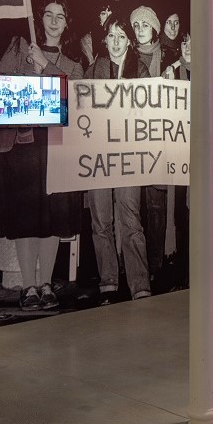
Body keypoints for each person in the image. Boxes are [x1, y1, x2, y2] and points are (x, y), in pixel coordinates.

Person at [0, 0, 82, 311]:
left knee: (53, 218)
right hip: (22, 147)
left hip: (56, 147)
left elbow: (77, 101)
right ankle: (28, 285)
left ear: (68, 24)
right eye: (48, 14)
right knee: (26, 218)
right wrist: (25, 65)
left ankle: (46, 283)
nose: (53, 21)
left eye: (60, 16)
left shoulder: (73, 64)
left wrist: (45, 66)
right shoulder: (18, 47)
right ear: (39, 17)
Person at [87, 18, 151, 301]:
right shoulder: (94, 69)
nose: (115, 41)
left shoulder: (142, 70)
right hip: (98, 154)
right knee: (100, 220)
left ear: (129, 41)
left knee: (130, 218)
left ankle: (139, 284)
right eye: (110, 35)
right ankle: (108, 281)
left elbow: (152, 110)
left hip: (129, 156)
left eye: (121, 36)